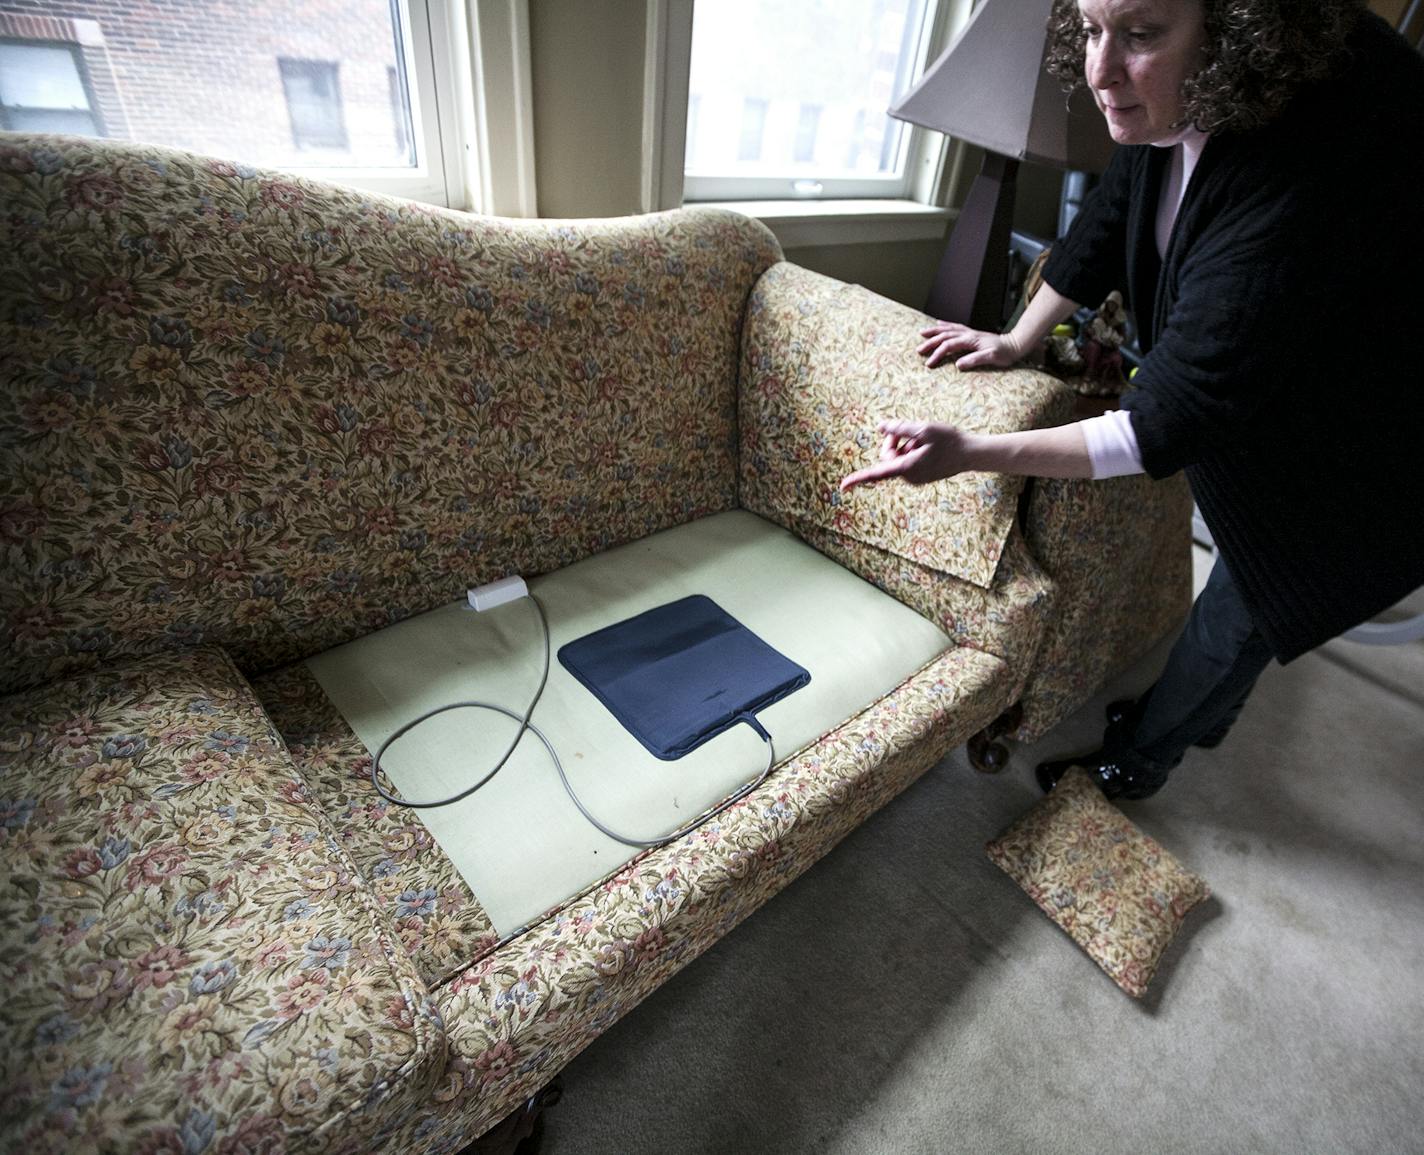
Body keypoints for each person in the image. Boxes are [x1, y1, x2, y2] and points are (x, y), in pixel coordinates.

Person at [840, 0, 1424, 801]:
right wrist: (1016, 341)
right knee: (1235, 601)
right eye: (1089, 29)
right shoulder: (1178, 101)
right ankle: (1209, 713)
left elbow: (1160, 424)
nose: (1099, 71)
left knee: (1241, 611)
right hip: (1266, 376)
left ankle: (1144, 757)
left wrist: (969, 451)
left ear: (1234, 38)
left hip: (1356, 451)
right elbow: (1110, 220)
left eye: (1141, 36)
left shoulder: (1303, 162)